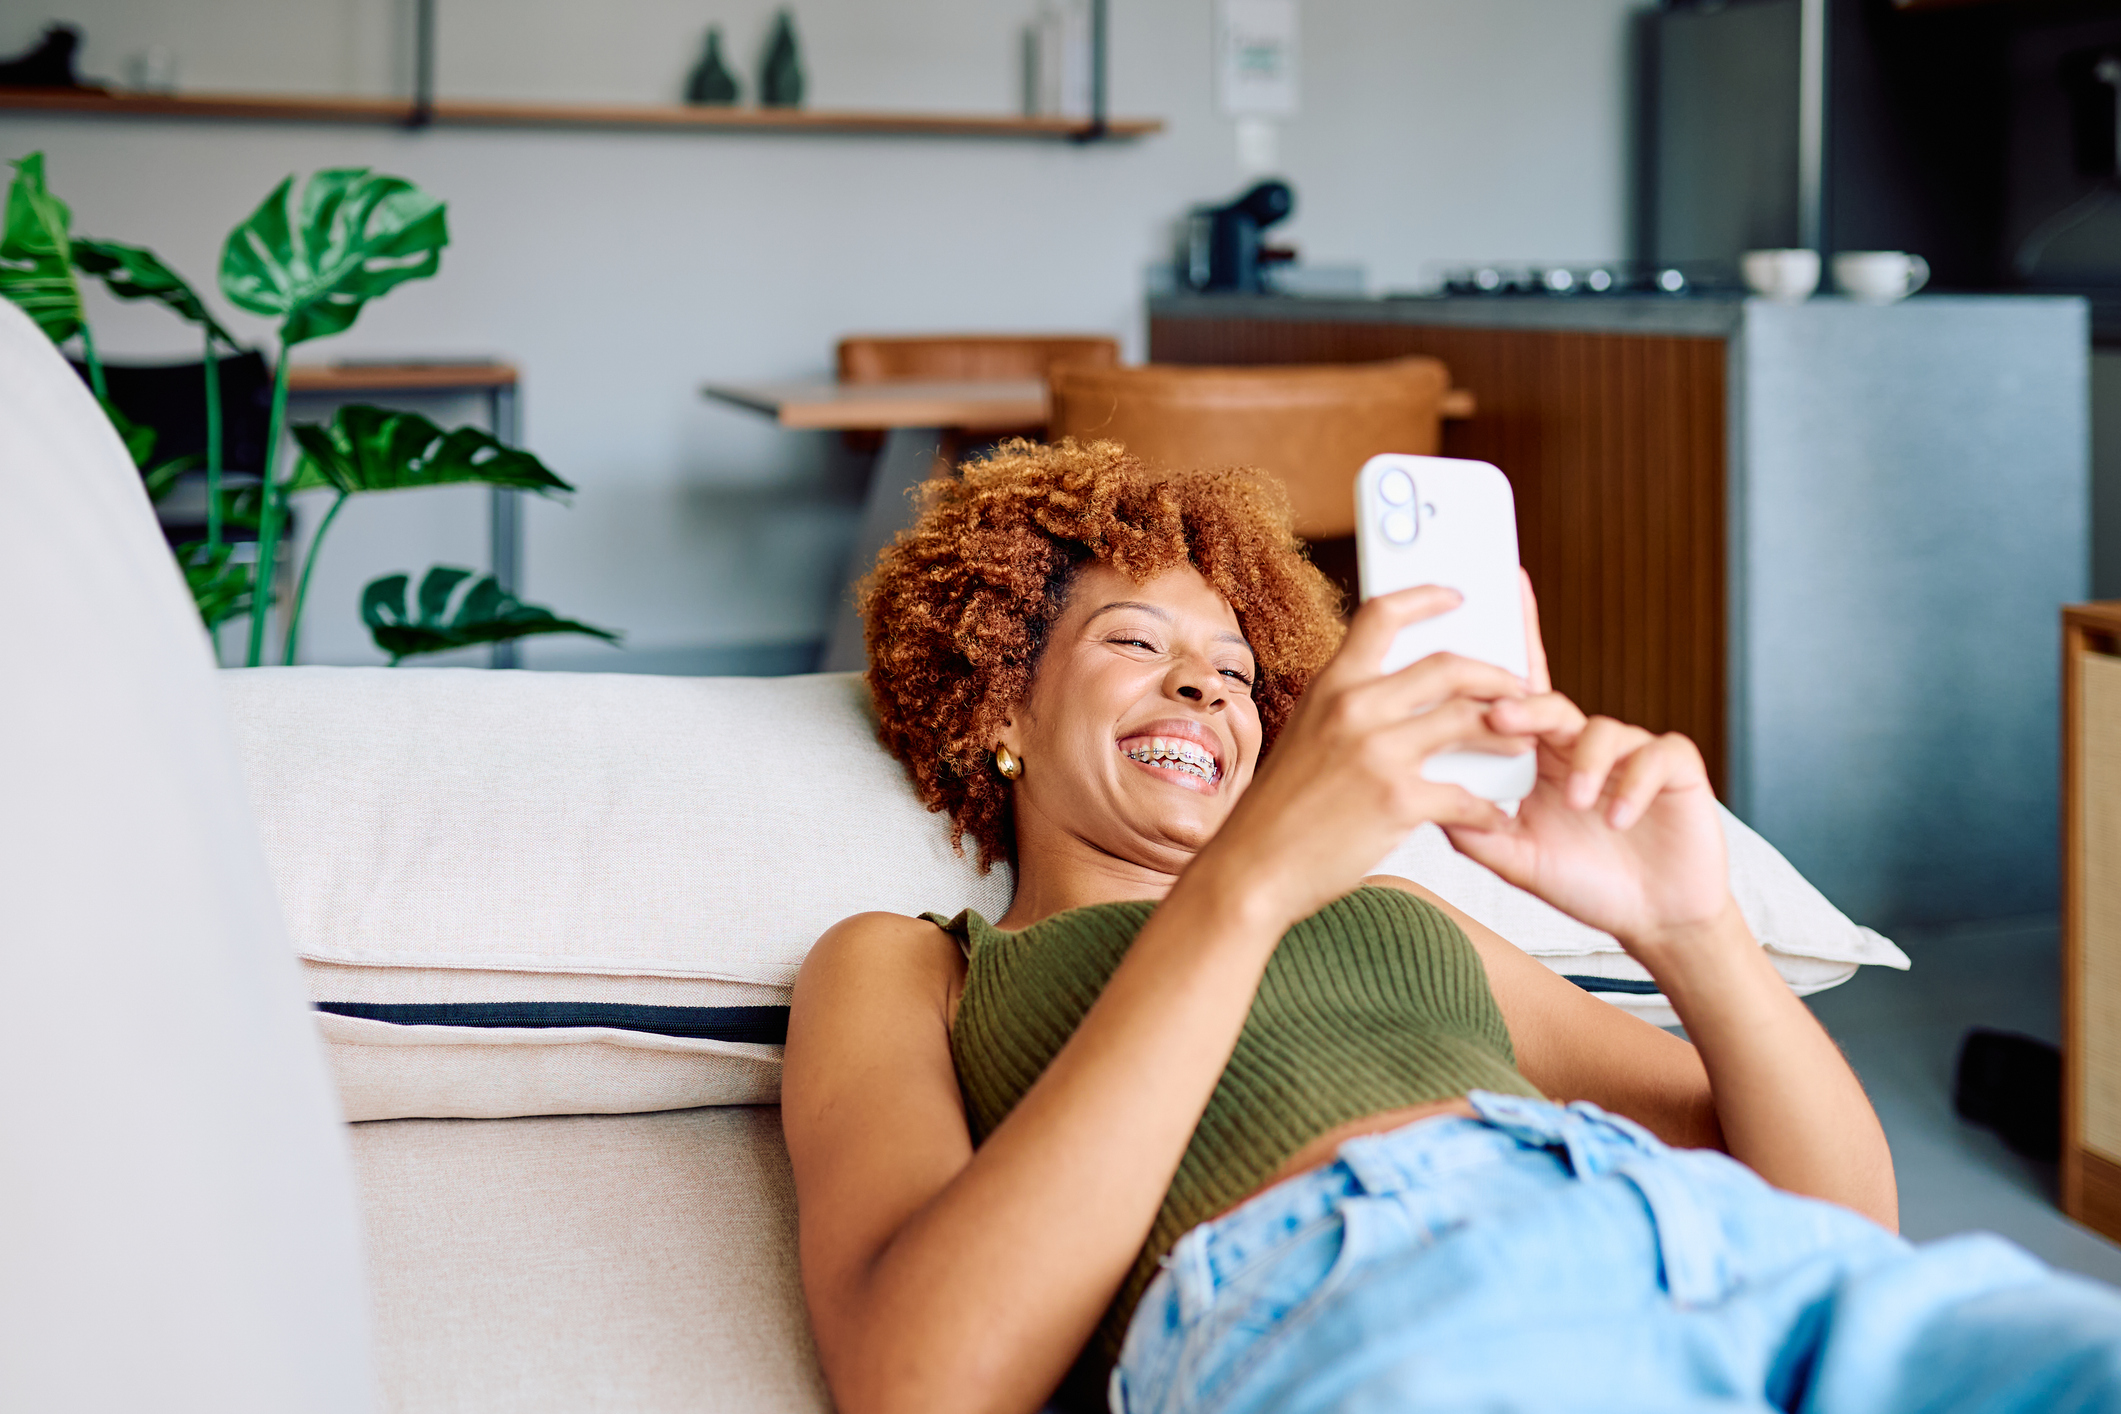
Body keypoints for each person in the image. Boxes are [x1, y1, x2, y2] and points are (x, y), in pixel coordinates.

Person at [782, 439, 2121, 1414]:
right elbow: (923, 1381)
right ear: (995, 710)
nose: (1203, 678)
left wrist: (1691, 924)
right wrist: (1241, 889)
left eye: (1240, 673)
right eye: (1133, 644)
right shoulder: (911, 965)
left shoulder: (1395, 911)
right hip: (1372, 1310)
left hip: (1721, 1249)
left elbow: (1844, 1213)